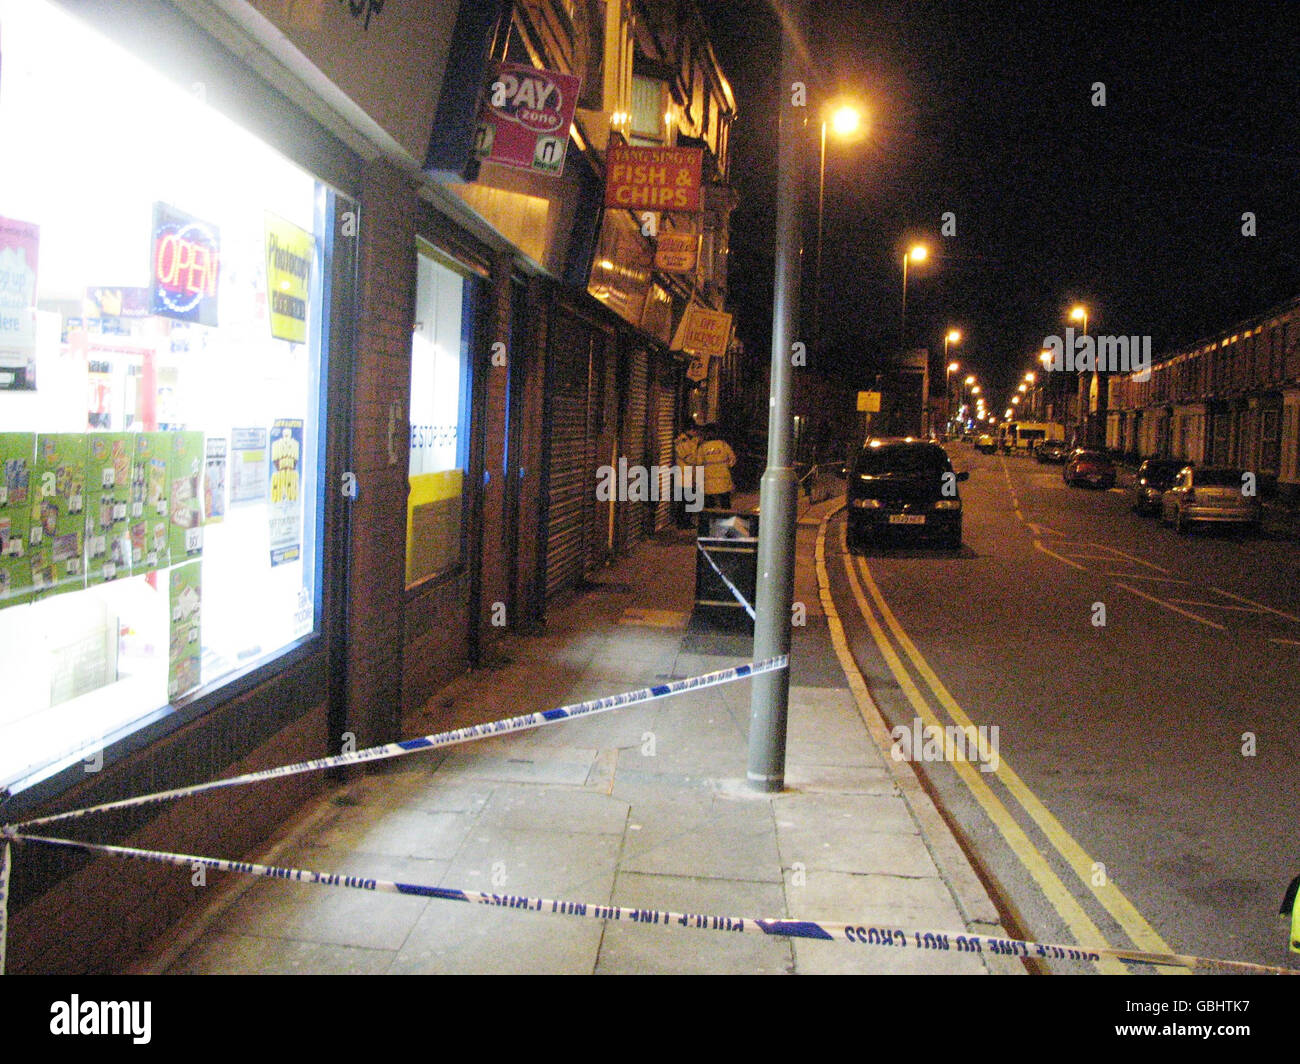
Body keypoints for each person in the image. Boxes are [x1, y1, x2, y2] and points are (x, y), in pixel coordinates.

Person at [697, 424, 736, 509]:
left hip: (709, 481)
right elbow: (732, 460)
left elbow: (699, 464)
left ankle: (710, 521)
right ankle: (726, 520)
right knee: (725, 503)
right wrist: (725, 466)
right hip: (723, 480)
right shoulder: (723, 445)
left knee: (709, 506)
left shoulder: (702, 447)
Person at [673, 425, 702, 527]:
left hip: (689, 474)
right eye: (694, 430)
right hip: (683, 473)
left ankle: (686, 521)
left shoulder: (689, 440)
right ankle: (682, 522)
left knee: (689, 499)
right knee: (684, 500)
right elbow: (689, 457)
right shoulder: (682, 441)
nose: (696, 433)